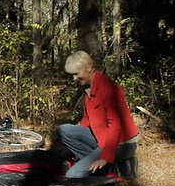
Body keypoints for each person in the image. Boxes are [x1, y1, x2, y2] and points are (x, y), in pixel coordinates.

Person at [58, 51, 139, 179]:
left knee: (73, 174)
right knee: (64, 130)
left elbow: (115, 125)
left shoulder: (109, 88)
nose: (74, 78)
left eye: (76, 74)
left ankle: (118, 166)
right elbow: (86, 121)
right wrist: (71, 148)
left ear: (89, 68)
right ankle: (100, 161)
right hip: (100, 138)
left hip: (121, 144)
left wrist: (105, 157)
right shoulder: (88, 88)